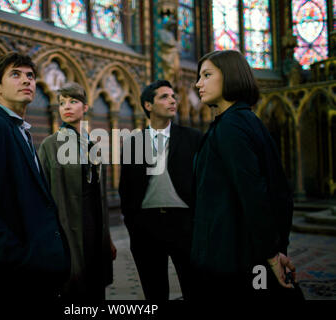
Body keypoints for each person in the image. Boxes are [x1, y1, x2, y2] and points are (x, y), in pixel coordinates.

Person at [0, 52, 70, 301]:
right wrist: (19, 260)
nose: (27, 81)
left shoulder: (19, 131)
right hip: (8, 277)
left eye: (30, 76)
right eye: (15, 75)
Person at [191, 50, 298, 299]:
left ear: (229, 76)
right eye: (199, 76)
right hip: (239, 251)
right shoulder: (243, 120)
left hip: (234, 256)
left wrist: (272, 254)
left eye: (207, 75)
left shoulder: (231, 127)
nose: (198, 83)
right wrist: (276, 247)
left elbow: (255, 193)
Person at [119, 80, 203, 300]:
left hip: (185, 225)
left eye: (173, 96)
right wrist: (133, 224)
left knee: (195, 288)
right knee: (154, 292)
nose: (172, 100)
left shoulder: (193, 138)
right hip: (146, 227)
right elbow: (125, 188)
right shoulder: (133, 143)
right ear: (148, 105)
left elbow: (203, 182)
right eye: (164, 97)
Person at [38, 82, 116, 301]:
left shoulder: (94, 147)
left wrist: (107, 238)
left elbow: (101, 197)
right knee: (73, 287)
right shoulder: (50, 145)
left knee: (95, 285)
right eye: (62, 103)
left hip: (94, 226)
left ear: (85, 108)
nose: (67, 107)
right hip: (67, 227)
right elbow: (41, 195)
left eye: (73, 101)